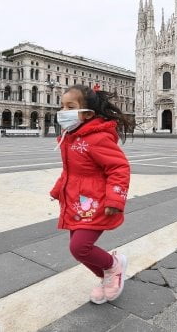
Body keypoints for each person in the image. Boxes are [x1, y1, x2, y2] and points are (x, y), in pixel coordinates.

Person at [50, 84, 134, 305]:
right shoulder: (71, 137)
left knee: (79, 247)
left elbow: (119, 168)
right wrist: (57, 190)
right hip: (76, 203)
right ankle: (105, 276)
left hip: (96, 203)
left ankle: (113, 267)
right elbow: (71, 171)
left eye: (70, 106)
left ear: (87, 113)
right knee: (79, 251)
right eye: (62, 106)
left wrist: (115, 199)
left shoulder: (97, 138)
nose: (62, 112)